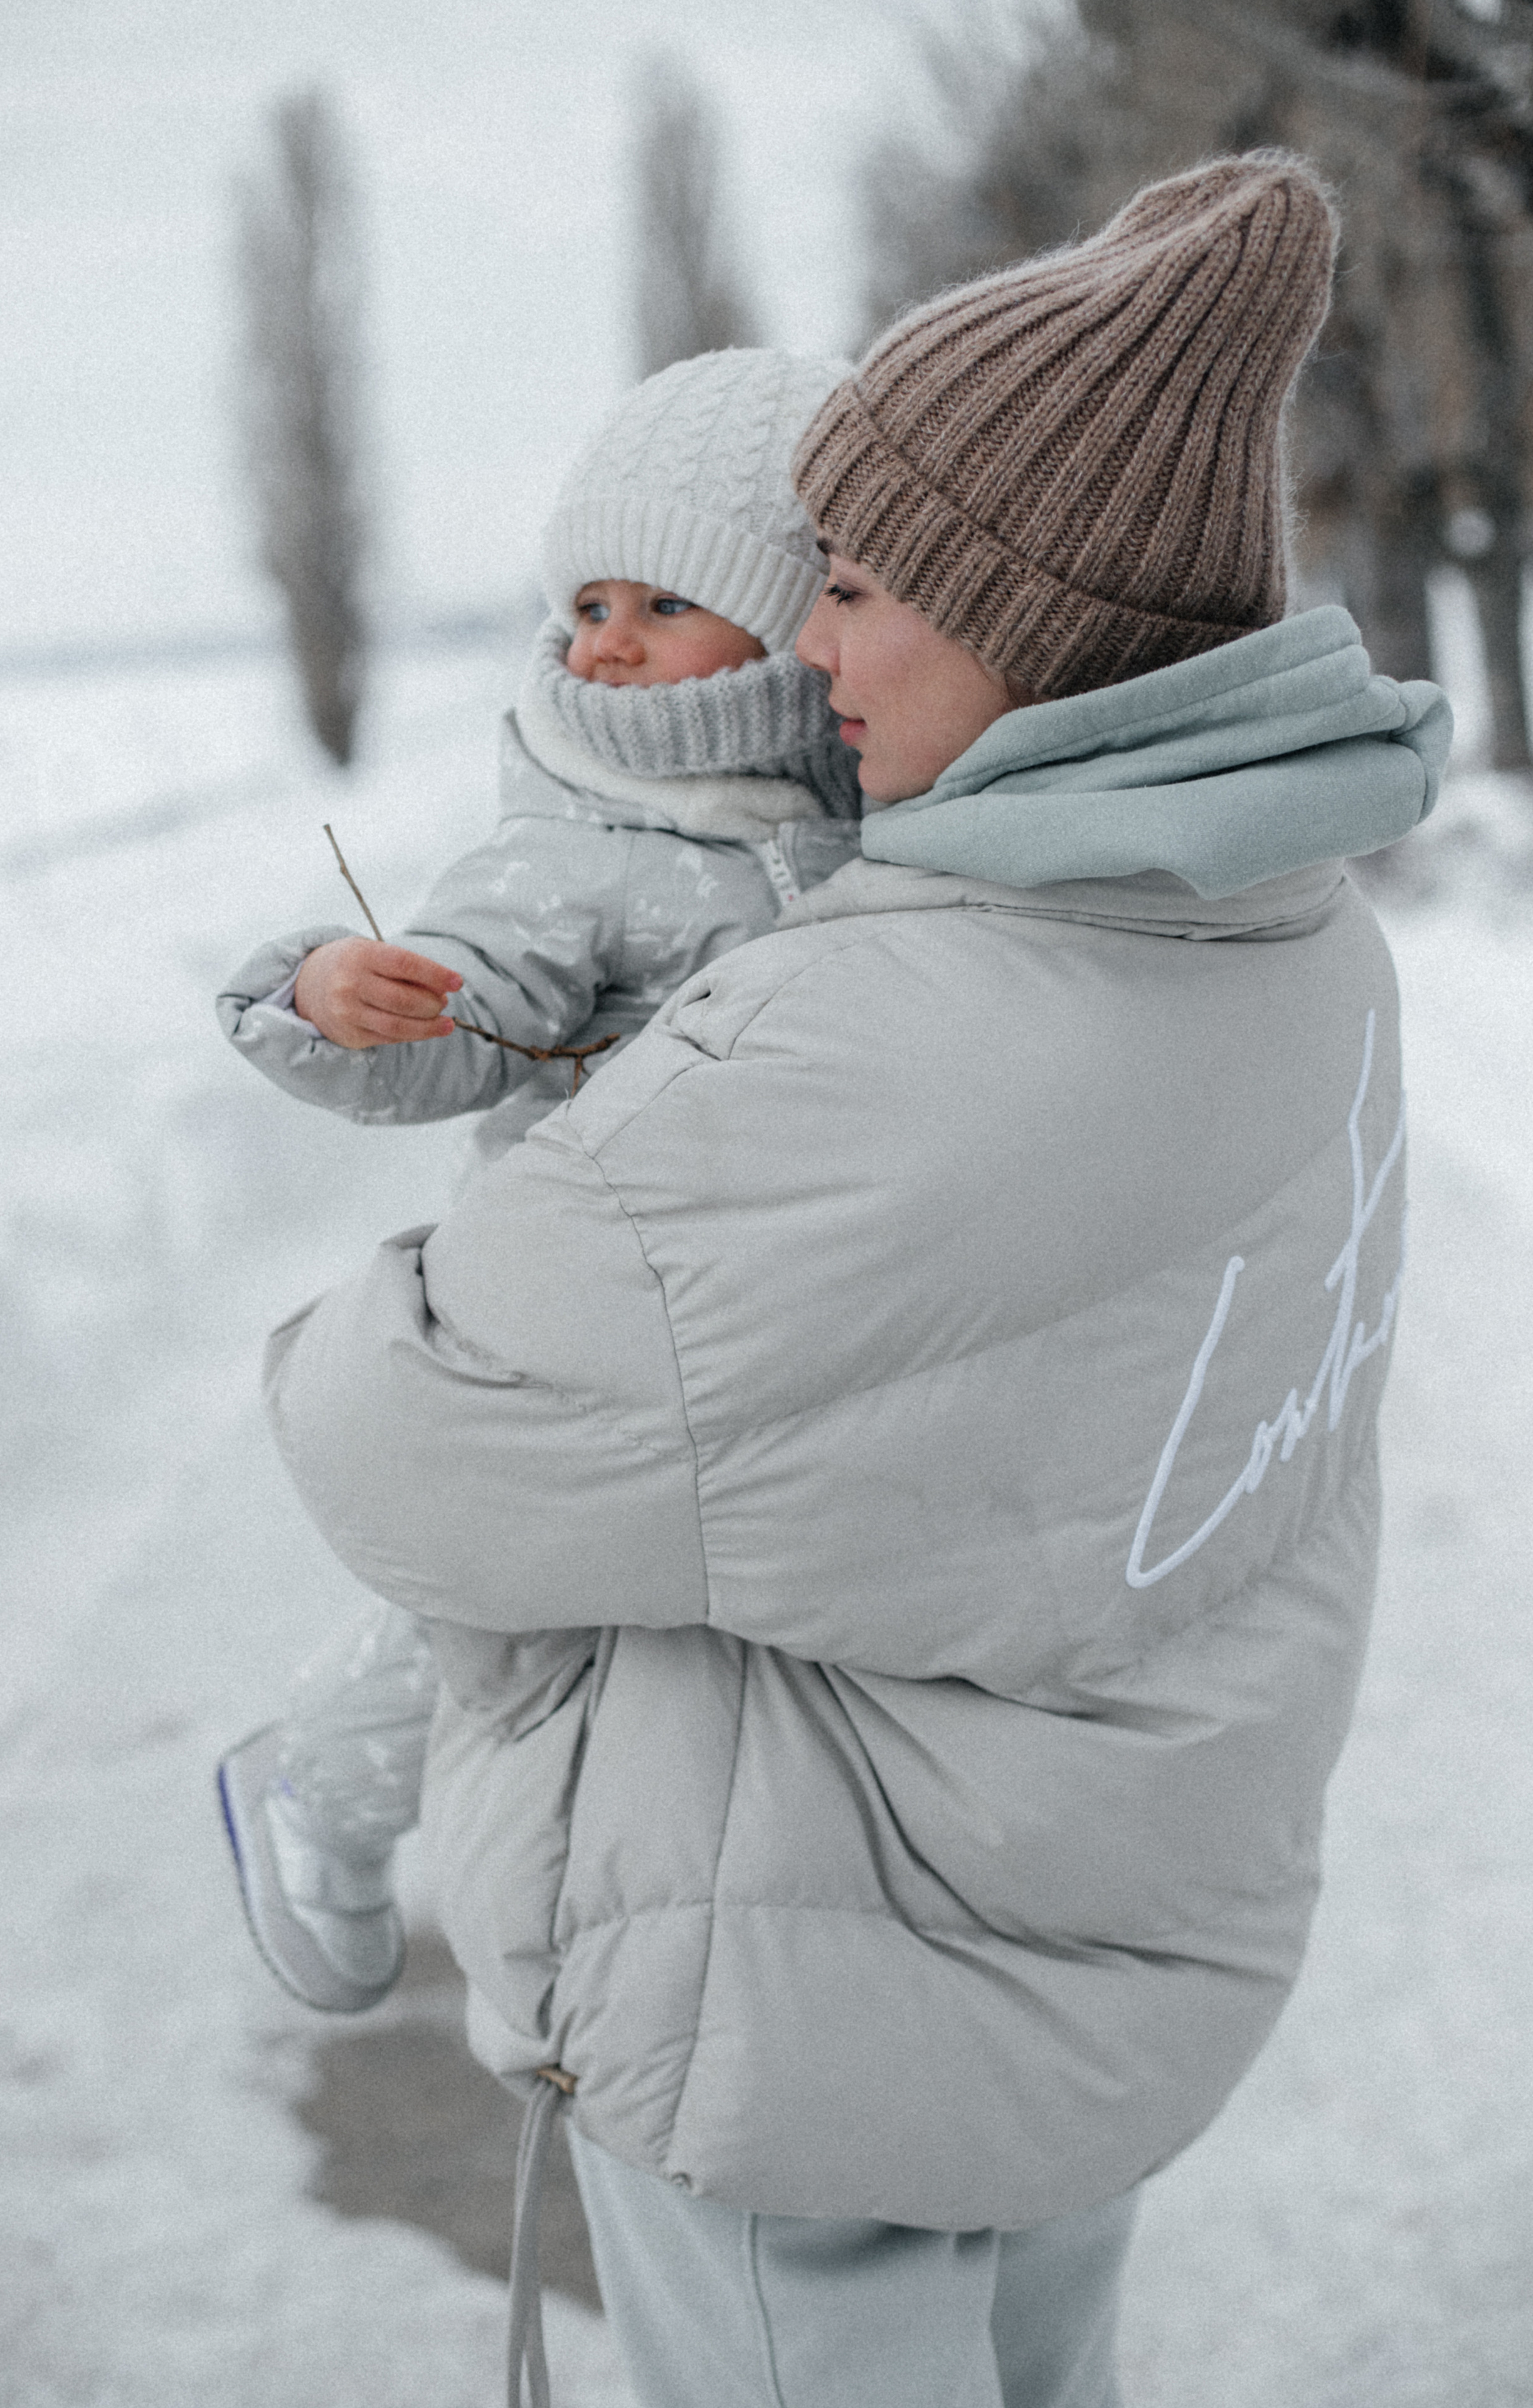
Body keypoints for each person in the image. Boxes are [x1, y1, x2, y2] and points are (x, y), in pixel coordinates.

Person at [263, 156, 1450, 2406]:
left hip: (815, 2004)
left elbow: (393, 1434)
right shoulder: (1296, 931)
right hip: (1094, 1937)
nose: (811, 649)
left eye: (857, 586)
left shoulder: (878, 1024)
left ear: (1029, 625)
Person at [213, 346, 860, 2014]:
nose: (607, 642)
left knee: (695, 1633)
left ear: (796, 622)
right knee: (510, 1611)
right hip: (586, 1311)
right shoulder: (573, 841)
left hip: (768, 1316)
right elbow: (468, 1005)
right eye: (585, 603)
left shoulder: (858, 814)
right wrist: (336, 1002)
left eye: (666, 601)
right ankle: (320, 1783)